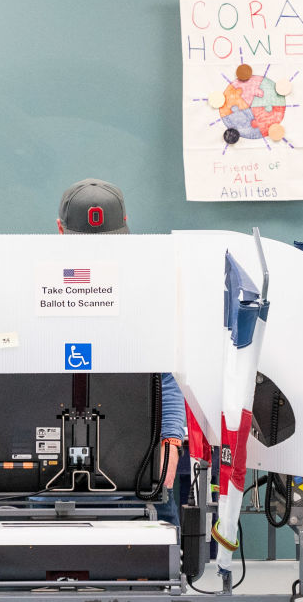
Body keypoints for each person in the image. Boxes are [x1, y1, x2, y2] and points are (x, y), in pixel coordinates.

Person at [58, 178, 187, 527]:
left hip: (140, 477)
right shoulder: (41, 292)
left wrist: (172, 441)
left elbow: (168, 379)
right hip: (53, 485)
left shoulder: (150, 291)